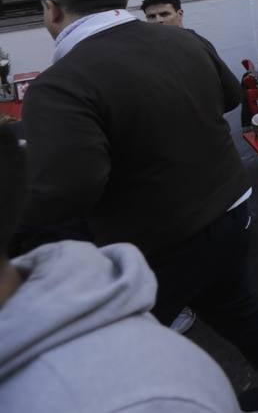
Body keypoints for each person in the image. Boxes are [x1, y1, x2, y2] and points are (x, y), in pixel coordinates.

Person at [19, 0, 258, 413]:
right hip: (230, 204)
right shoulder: (183, 41)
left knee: (129, 344)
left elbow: (68, 190)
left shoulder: (61, 84)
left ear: (52, 10)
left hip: (159, 236)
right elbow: (230, 97)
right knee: (234, 303)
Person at [0, 125, 242, 413]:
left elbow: (77, 178)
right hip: (206, 208)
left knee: (226, 297)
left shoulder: (136, 393)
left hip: (177, 223)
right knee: (231, 298)